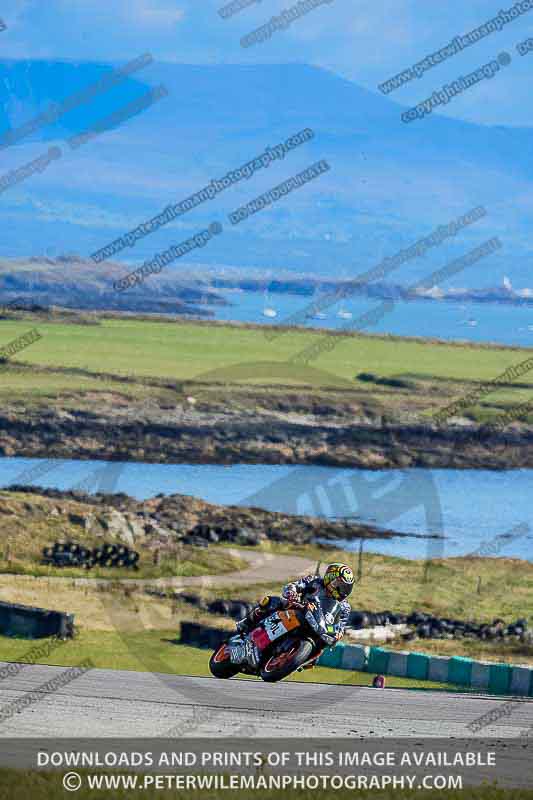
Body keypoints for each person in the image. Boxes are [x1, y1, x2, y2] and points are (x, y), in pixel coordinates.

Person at [236, 562, 354, 641]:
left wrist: (338, 633)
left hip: (318, 626)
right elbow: (294, 585)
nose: (342, 591)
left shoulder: (345, 607)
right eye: (339, 585)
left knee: (322, 647)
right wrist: (292, 592)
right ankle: (247, 622)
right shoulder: (315, 581)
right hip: (297, 609)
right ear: (330, 578)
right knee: (271, 601)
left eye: (346, 588)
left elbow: (340, 626)